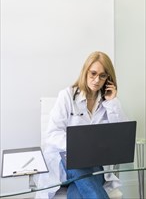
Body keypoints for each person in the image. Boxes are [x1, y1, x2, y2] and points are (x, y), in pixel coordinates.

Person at [35, 51, 128, 199]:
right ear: (85, 71)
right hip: (66, 166)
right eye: (93, 73)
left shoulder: (109, 103)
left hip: (95, 167)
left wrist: (112, 103)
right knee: (78, 167)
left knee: (78, 191)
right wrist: (79, 147)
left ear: (108, 79)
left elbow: (121, 135)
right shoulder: (66, 96)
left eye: (102, 76)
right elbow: (53, 134)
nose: (97, 80)